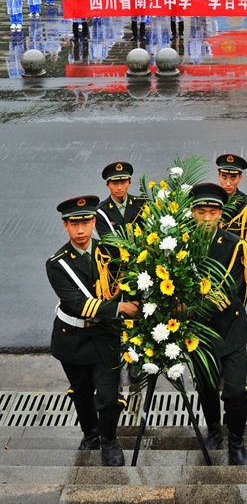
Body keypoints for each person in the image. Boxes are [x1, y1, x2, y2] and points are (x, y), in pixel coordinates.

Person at [45, 194, 138, 464]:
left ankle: (109, 441)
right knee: (82, 392)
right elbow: (77, 304)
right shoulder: (57, 264)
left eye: (86, 222)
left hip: (104, 336)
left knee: (108, 398)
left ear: (93, 221)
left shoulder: (109, 253)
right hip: (72, 338)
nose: (81, 229)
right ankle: (90, 434)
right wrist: (119, 309)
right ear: (65, 226)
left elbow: (126, 285)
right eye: (74, 224)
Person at [189, 182, 247, 465]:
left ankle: (236, 442)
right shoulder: (179, 245)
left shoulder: (233, 246)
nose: (206, 218)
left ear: (220, 214)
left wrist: (185, 308)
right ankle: (214, 429)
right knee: (205, 387)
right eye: (201, 212)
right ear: (192, 213)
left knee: (236, 391)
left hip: (230, 330)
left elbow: (228, 292)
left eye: (212, 212)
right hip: (198, 336)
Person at [95, 161, 147, 242]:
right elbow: (109, 241)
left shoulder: (142, 205)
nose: (119, 187)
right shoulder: (101, 212)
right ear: (107, 185)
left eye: (123, 183)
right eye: (115, 183)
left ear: (129, 183)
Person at [216, 153, 247, 240]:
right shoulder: (211, 197)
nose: (228, 183)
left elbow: (236, 236)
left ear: (240, 178)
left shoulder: (245, 204)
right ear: (219, 176)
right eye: (224, 177)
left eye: (233, 178)